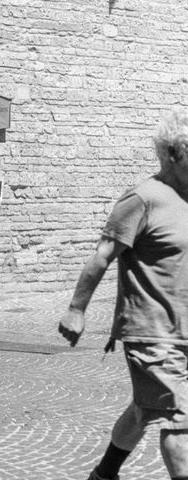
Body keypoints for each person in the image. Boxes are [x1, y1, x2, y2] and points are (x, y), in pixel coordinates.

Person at [59, 106, 188, 480]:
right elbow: (102, 255)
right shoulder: (143, 198)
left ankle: (103, 474)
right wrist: (76, 309)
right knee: (179, 422)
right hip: (152, 333)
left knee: (143, 409)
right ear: (175, 154)